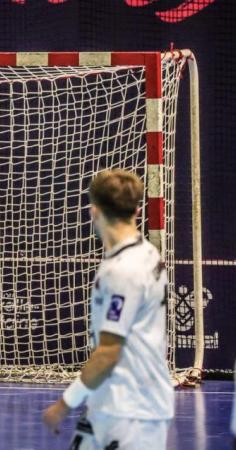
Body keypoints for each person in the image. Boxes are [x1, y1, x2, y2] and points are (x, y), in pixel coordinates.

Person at [42, 169, 174, 449]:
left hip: (131, 413)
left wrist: (64, 405)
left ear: (94, 211)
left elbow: (109, 352)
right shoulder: (146, 253)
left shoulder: (123, 271)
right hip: (116, 404)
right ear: (137, 210)